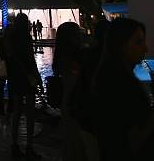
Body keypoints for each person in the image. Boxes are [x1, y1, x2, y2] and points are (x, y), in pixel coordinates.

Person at [94, 18, 154, 160]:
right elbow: (130, 142)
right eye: (138, 42)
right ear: (121, 45)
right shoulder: (119, 85)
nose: (145, 49)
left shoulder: (108, 77)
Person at [6, 13, 43, 159]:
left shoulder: (10, 39)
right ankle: (29, 146)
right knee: (30, 113)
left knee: (16, 112)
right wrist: (37, 76)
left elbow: (9, 58)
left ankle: (14, 145)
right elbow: (30, 59)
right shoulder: (26, 38)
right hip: (27, 77)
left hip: (15, 77)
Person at [52, 21, 86, 161]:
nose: (80, 37)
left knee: (71, 144)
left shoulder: (61, 57)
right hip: (75, 103)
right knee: (76, 143)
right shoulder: (71, 58)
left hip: (69, 101)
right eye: (77, 34)